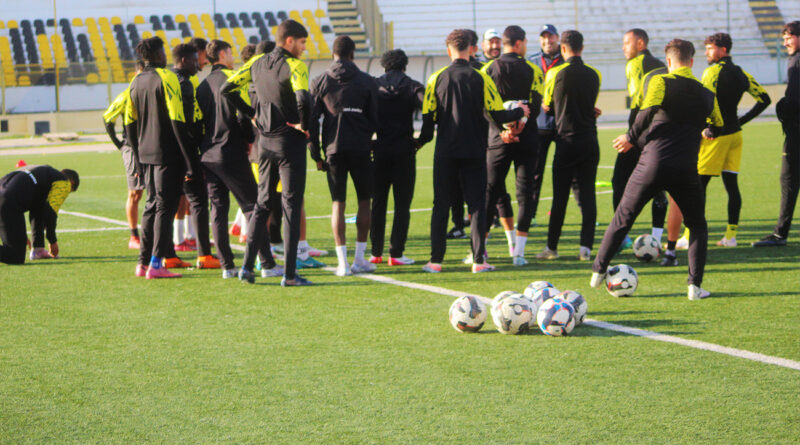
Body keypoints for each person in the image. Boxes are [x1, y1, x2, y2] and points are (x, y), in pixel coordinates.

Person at [592, 39, 723, 300]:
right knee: (697, 225)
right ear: (692, 61)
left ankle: (598, 272)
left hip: (651, 164)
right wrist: (708, 130)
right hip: (685, 169)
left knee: (623, 216)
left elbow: (647, 111)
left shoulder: (661, 82)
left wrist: (630, 137)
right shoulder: (706, 93)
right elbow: (719, 124)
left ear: (669, 61)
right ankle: (694, 287)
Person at [416, 29, 529, 273]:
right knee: (477, 205)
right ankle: (479, 261)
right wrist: (520, 111)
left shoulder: (435, 78)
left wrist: (417, 143)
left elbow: (427, 120)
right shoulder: (481, 77)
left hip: (445, 151)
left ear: (448, 51)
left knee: (441, 204)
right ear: (471, 49)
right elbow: (497, 113)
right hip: (475, 150)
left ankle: (435, 261)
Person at [222, 19, 313, 286]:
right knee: (291, 207)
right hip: (290, 144)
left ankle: (248, 268)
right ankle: (290, 274)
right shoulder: (295, 66)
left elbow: (226, 89)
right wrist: (304, 126)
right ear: (289, 41)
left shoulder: (257, 62)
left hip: (265, 144)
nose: (304, 48)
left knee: (261, 205)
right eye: (302, 42)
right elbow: (304, 99)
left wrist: (252, 114)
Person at [664, 33, 771, 256]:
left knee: (697, 187)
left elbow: (704, 103)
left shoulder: (711, 72)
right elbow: (764, 99)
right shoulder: (742, 73)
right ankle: (730, 236)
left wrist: (706, 127)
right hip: (735, 136)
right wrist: (740, 121)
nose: (706, 53)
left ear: (723, 50)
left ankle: (687, 236)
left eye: (710, 49)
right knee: (732, 186)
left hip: (716, 137)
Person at [196, 39, 277, 279]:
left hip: (208, 154)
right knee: (253, 206)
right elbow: (243, 116)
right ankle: (267, 263)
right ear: (223, 54)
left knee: (218, 211)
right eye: (230, 52)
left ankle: (227, 266)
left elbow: (199, 123)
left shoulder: (202, 87)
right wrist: (249, 138)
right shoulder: (233, 79)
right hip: (230, 151)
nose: (233, 57)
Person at [124, 36, 197, 279]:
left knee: (151, 206)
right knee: (165, 208)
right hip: (168, 153)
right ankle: (156, 264)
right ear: (157, 55)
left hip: (145, 154)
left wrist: (136, 155)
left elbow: (129, 124)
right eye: (163, 52)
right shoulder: (167, 78)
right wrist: (189, 160)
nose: (166, 56)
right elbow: (178, 121)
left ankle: (143, 263)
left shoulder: (135, 82)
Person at [308, 36, 379, 276]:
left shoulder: (320, 80)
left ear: (333, 54)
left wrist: (315, 154)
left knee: (338, 202)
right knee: (364, 201)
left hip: (333, 148)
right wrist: (369, 138)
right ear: (352, 54)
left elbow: (312, 121)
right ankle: (359, 258)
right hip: (360, 147)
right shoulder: (367, 81)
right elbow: (375, 118)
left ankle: (342, 264)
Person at [481, 25, 544, 266]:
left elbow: (485, 107)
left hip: (498, 140)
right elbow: (535, 105)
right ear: (518, 44)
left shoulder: (488, 69)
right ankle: (518, 252)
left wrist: (503, 130)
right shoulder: (533, 69)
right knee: (525, 191)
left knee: (491, 190)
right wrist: (521, 125)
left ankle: (482, 250)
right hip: (527, 138)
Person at [538, 30, 602, 261]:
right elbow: (590, 104)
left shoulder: (555, 73)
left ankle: (552, 248)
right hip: (589, 141)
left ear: (563, 49)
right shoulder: (595, 74)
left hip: (566, 141)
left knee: (560, 197)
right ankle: (585, 248)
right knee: (588, 196)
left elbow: (547, 106)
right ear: (582, 48)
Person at [614, 28, 669, 249]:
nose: (623, 47)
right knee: (659, 188)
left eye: (626, 43)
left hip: (638, 137)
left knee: (619, 183)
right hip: (660, 136)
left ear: (640, 43)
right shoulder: (662, 66)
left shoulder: (635, 64)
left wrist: (631, 136)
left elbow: (640, 106)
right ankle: (656, 238)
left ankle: (621, 236)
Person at [369, 49, 424, 266]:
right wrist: (423, 139)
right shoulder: (412, 85)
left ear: (384, 65)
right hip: (404, 150)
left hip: (380, 149)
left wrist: (368, 141)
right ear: (405, 65)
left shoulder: (373, 85)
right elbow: (429, 110)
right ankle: (396, 253)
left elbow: (363, 113)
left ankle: (375, 252)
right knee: (402, 204)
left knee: (378, 202)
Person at [171, 42, 220, 269]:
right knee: (199, 202)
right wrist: (191, 160)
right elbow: (185, 124)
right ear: (184, 60)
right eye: (195, 59)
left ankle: (164, 255)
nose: (200, 64)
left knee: (163, 205)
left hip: (164, 154)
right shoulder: (184, 83)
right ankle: (204, 255)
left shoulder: (165, 80)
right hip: (185, 153)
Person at [752, 21, 800, 247]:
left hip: (797, 131)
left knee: (788, 180)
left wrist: (785, 106)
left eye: (788, 37)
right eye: (783, 38)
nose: (785, 42)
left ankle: (780, 234)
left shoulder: (797, 61)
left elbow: (795, 98)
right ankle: (780, 232)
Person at [103, 60, 145, 250]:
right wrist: (120, 145)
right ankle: (133, 236)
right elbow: (107, 118)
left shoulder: (150, 92)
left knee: (152, 192)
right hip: (132, 148)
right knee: (135, 193)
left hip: (150, 146)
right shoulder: (126, 95)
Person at [0, 166, 79, 264]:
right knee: (15, 257)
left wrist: (36, 245)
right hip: (9, 201)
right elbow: (51, 212)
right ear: (72, 183)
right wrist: (52, 241)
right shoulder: (64, 182)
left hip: (6, 194)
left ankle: (38, 251)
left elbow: (37, 212)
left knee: (16, 249)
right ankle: (37, 250)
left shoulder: (41, 175)